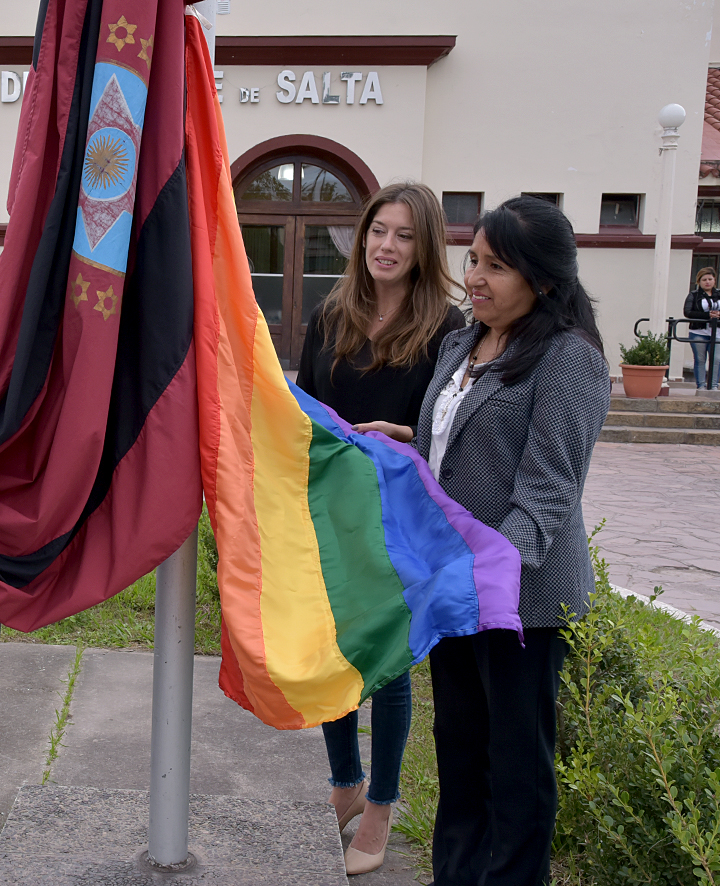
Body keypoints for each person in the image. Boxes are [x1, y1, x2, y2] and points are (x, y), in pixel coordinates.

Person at [413, 195, 610, 885]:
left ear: (544, 281)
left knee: (518, 771)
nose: (475, 278)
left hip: (522, 604)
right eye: (473, 260)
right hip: (456, 593)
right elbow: (442, 450)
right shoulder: (460, 342)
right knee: (460, 756)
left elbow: (548, 491)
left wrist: (489, 571)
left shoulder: (566, 360)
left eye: (496, 266)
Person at [295, 181, 465, 876]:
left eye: (402, 236)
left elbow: (451, 427)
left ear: (424, 248)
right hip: (337, 506)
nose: (386, 247)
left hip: (401, 512)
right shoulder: (330, 316)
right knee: (336, 645)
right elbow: (306, 411)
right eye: (377, 232)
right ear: (361, 236)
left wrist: (409, 435)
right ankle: (344, 778)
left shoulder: (450, 329)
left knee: (388, 660)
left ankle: (383, 803)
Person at [683, 266, 720, 388]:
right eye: (704, 279)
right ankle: (701, 385)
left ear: (714, 280)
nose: (707, 282)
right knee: (700, 360)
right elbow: (688, 312)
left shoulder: (719, 294)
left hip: (717, 332)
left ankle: (714, 385)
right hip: (698, 332)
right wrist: (707, 315)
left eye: (710, 279)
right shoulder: (694, 295)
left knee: (716, 360)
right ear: (699, 281)